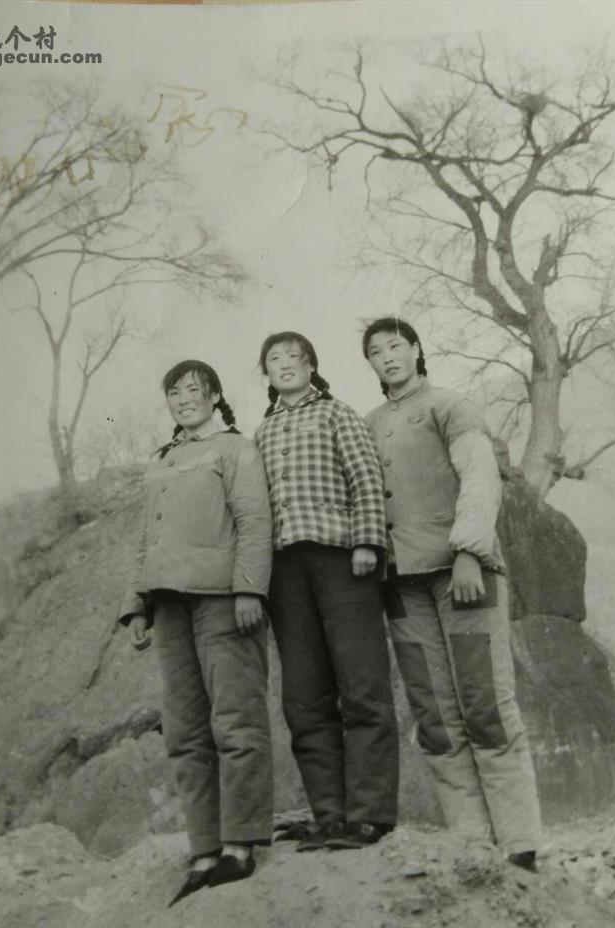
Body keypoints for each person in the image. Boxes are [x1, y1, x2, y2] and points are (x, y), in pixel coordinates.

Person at [362, 316, 543, 873]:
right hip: (401, 585)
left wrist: (468, 551)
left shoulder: (450, 405)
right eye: (376, 351)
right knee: (435, 714)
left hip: (464, 575)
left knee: (486, 703)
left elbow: (481, 478)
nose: (388, 357)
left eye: (396, 345)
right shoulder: (368, 424)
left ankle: (520, 847)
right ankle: (469, 846)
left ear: (417, 349)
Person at [119, 360, 274, 905]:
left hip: (222, 600)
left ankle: (240, 843)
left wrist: (250, 589)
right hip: (167, 605)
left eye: (193, 389)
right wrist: (136, 605)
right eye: (174, 392)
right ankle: (204, 849)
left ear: (214, 395)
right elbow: (146, 539)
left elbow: (255, 522)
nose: (183, 399)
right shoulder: (161, 461)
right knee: (185, 730)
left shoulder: (236, 449)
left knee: (236, 719)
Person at [255, 331, 399, 852]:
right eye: (274, 359)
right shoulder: (262, 432)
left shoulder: (338, 415)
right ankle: (330, 816)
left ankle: (370, 814)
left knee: (362, 686)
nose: (285, 365)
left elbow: (366, 480)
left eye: (295, 357)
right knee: (304, 695)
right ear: (266, 373)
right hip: (284, 571)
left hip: (342, 560)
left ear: (312, 366)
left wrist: (366, 543)